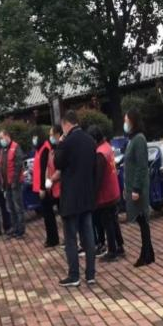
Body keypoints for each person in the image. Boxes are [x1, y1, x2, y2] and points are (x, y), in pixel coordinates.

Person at [54, 111, 97, 287]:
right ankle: (91, 274)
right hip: (87, 196)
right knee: (88, 236)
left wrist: (59, 144)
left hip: (71, 198)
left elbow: (58, 163)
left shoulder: (67, 142)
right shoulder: (90, 141)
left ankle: (74, 275)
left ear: (66, 124)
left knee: (71, 238)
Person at [88, 125, 125, 262]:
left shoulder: (100, 154)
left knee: (107, 222)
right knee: (113, 220)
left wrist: (93, 195)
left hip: (106, 194)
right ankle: (120, 246)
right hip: (114, 190)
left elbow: (98, 178)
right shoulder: (107, 147)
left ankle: (112, 251)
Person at [124, 109, 155, 267]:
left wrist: (136, 189)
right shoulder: (132, 139)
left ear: (133, 121)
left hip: (139, 188)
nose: (125, 124)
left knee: (143, 220)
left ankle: (146, 254)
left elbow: (142, 166)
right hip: (133, 186)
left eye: (126, 121)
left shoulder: (139, 139)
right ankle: (148, 253)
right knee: (142, 221)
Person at [32, 126, 59, 247]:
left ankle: (53, 239)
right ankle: (50, 238)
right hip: (40, 186)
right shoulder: (39, 149)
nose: (33, 139)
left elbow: (44, 169)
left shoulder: (45, 149)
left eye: (35, 137)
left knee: (48, 214)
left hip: (45, 187)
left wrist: (42, 188)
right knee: (46, 214)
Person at [0, 129, 26, 238]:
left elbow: (18, 165)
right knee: (10, 207)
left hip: (15, 183)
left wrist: (14, 181)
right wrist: (3, 184)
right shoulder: (3, 150)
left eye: (1, 138)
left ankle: (21, 230)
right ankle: (15, 228)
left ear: (7, 136)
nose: (1, 140)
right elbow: (1, 166)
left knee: (18, 207)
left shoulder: (16, 147)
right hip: (7, 184)